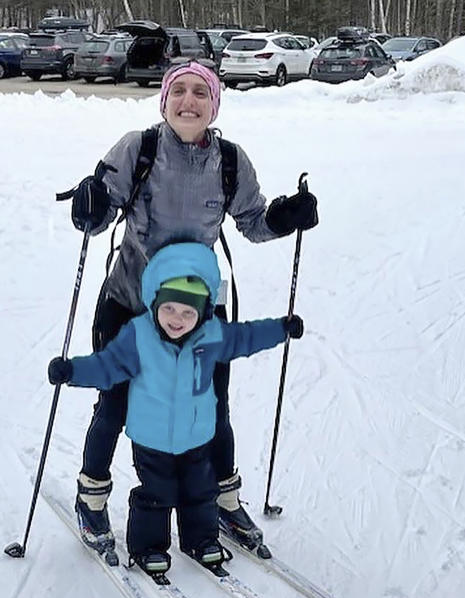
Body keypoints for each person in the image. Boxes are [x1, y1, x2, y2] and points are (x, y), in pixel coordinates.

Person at [67, 59, 318, 553]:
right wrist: (90, 204)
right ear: (164, 100)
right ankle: (91, 498)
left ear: (214, 103)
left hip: (199, 314)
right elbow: (98, 219)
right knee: (115, 403)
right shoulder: (139, 148)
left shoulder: (230, 160)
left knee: (212, 406)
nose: (188, 101)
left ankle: (224, 500)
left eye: (200, 93)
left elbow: (253, 222)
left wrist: (285, 217)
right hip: (131, 303)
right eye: (178, 91)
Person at [47, 242, 304, 575]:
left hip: (197, 435)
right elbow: (107, 366)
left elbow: (246, 337)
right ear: (154, 302)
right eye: (169, 309)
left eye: (187, 313)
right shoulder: (138, 336)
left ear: (202, 313)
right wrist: (72, 372)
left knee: (200, 490)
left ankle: (203, 540)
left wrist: (281, 329)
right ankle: (147, 548)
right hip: (151, 439)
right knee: (157, 494)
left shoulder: (212, 335)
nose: (176, 320)